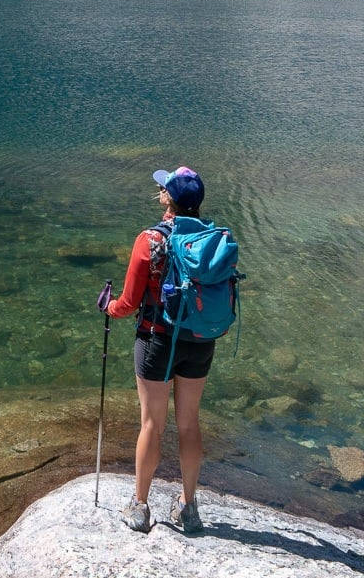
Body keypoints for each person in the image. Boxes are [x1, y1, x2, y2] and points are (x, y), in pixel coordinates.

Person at [105, 165, 213, 534]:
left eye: (163, 188)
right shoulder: (214, 239)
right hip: (200, 341)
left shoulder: (150, 239)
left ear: (168, 198)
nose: (160, 191)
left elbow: (129, 303)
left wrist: (108, 306)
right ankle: (189, 507)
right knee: (189, 423)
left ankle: (140, 507)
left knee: (152, 423)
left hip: (157, 340)